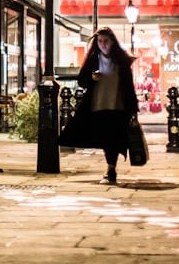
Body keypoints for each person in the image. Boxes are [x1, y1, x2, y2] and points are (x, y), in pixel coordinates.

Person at [58, 27, 139, 185]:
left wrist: (133, 108)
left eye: (106, 41)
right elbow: (82, 80)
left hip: (118, 106)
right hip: (98, 105)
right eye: (100, 41)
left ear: (112, 42)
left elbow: (129, 86)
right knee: (106, 138)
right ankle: (111, 168)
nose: (103, 45)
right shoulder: (94, 59)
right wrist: (91, 78)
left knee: (113, 138)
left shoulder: (121, 62)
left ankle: (111, 168)